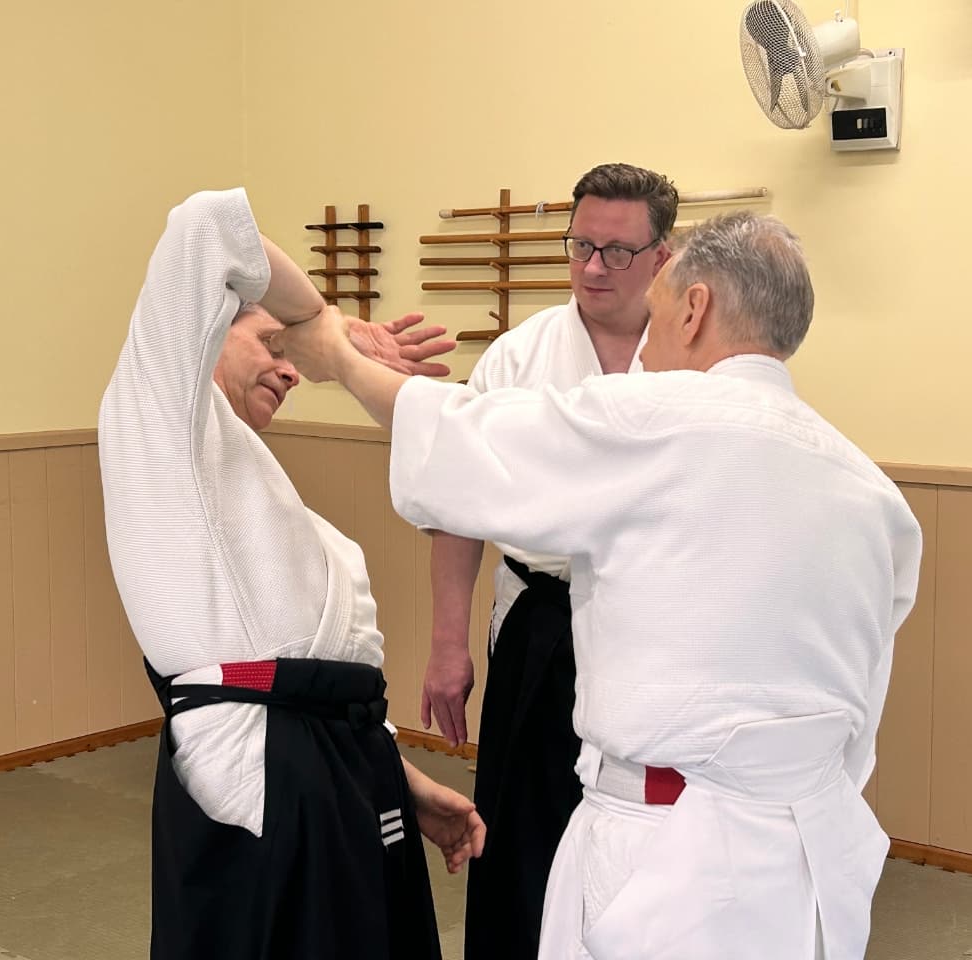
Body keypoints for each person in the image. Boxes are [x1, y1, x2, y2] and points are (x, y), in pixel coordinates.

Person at [282, 210, 922, 960]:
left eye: (656, 315)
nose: (645, 349)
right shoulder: (873, 496)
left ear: (695, 308)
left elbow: (460, 439)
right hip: (811, 859)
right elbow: (863, 711)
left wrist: (337, 353)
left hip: (665, 849)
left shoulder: (654, 420)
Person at [98, 187, 485, 960]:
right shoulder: (157, 416)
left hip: (341, 765)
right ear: (207, 330)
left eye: (290, 352)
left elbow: (324, 675)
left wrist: (405, 783)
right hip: (262, 773)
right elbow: (206, 224)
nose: (290, 369)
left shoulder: (256, 490)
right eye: (268, 344)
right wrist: (318, 326)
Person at [422, 162, 679, 960]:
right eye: (581, 246)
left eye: (617, 251)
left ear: (663, 257)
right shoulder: (517, 359)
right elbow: (455, 509)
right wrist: (448, 644)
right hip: (540, 615)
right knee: (521, 826)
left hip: (657, 619)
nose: (594, 267)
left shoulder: (693, 358)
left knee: (649, 832)